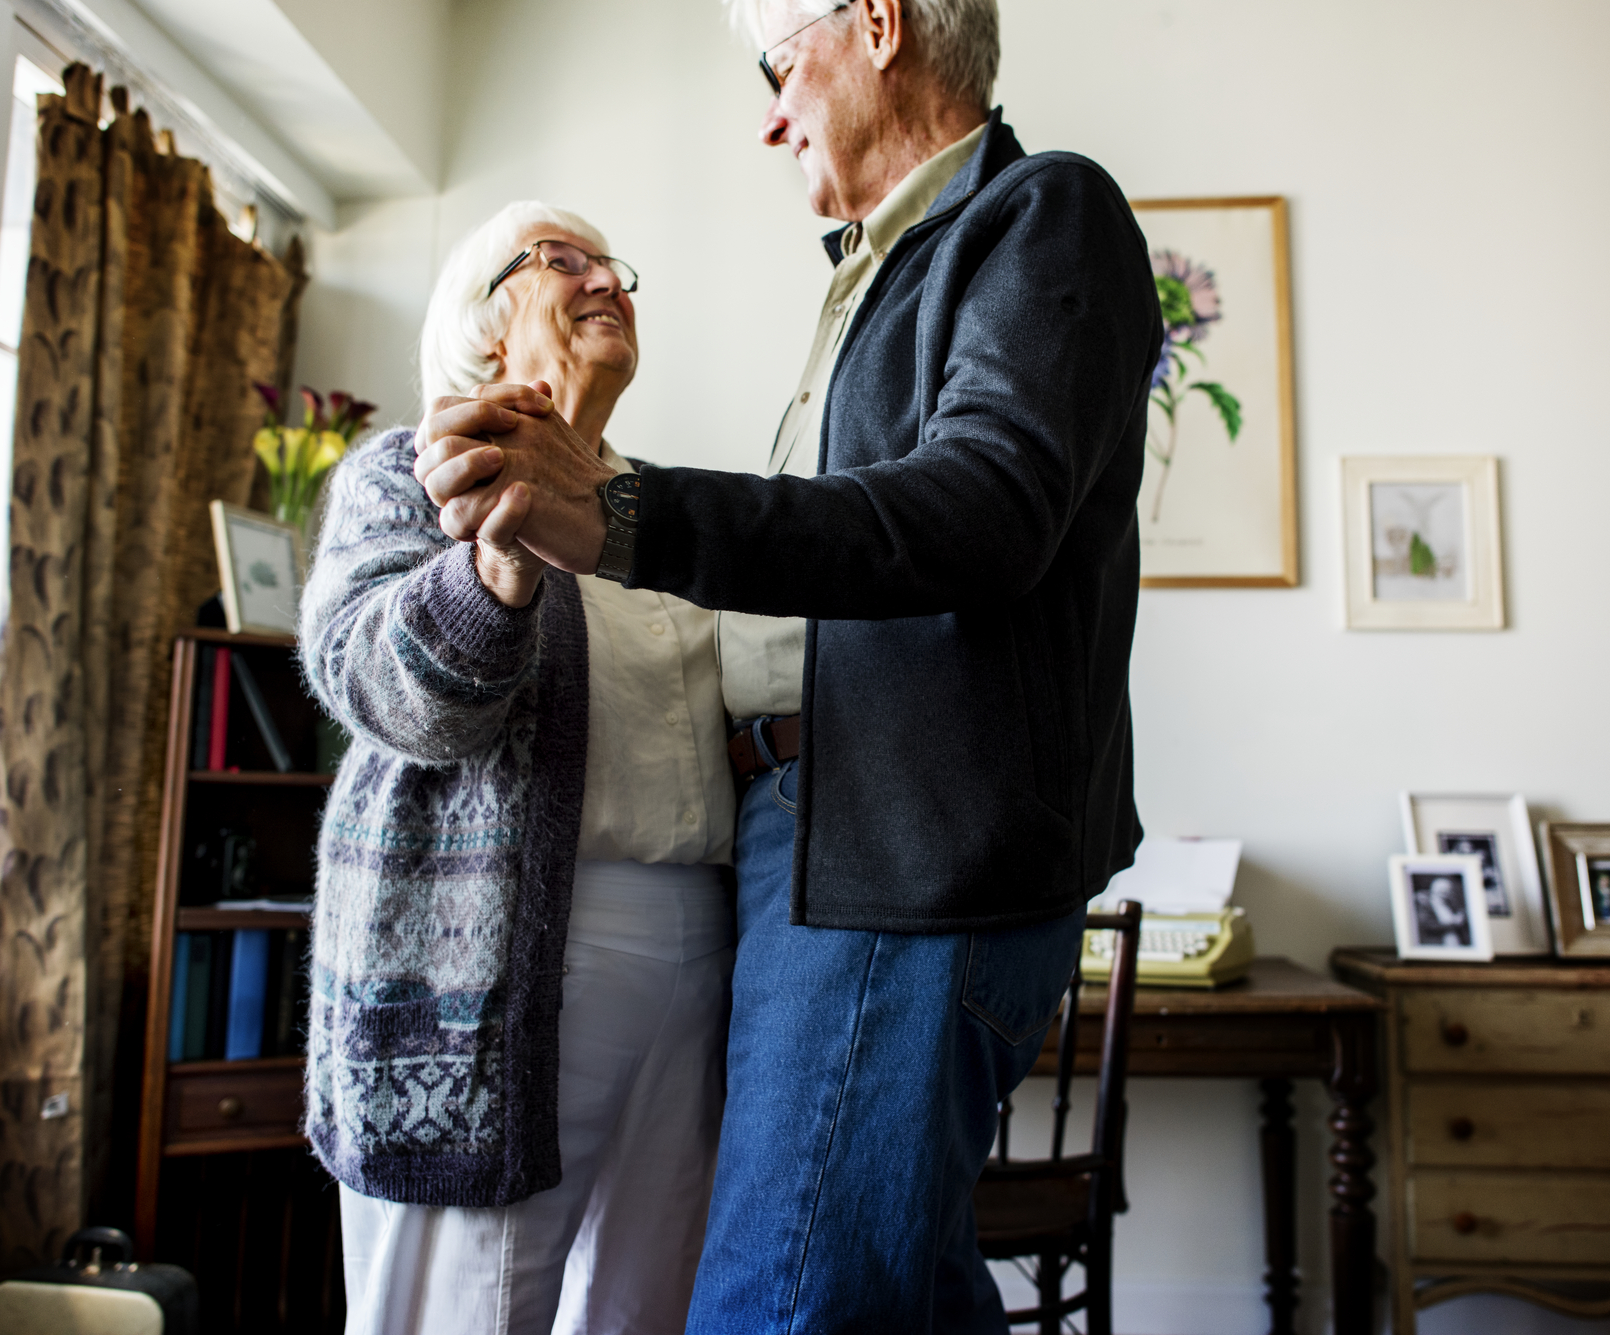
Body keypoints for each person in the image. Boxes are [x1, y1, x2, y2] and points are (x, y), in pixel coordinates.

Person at [415, 0, 1162, 1328]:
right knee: (884, 1281)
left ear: (876, 23)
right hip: (807, 848)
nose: (766, 115)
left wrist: (624, 511)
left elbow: (982, 509)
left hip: (893, 846)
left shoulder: (1043, 212)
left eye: (776, 66)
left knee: (784, 1295)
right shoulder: (876, 271)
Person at [299, 201, 737, 1335]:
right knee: (462, 1314)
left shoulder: (650, 508)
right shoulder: (408, 475)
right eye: (562, 259)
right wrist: (496, 559)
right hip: (491, 967)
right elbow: (384, 691)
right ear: (481, 325)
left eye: (613, 263)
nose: (606, 280)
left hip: (694, 955)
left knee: (646, 1307)